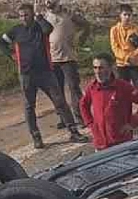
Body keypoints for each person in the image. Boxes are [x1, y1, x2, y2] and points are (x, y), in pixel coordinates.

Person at [0, 3, 87, 149]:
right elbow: (1, 43)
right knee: (29, 107)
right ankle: (36, 137)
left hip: (45, 72)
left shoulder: (40, 27)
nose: (23, 18)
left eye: (26, 15)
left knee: (60, 102)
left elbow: (49, 28)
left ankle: (73, 131)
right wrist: (11, 54)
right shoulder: (16, 30)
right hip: (26, 75)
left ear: (32, 14)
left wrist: (39, 16)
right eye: (21, 16)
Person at [79, 53, 138, 151]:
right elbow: (83, 105)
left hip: (122, 144)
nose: (97, 72)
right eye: (95, 68)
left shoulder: (123, 87)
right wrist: (91, 124)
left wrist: (133, 123)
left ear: (111, 68)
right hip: (100, 145)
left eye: (101, 68)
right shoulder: (92, 88)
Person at [39, 0, 91, 129]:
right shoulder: (44, 16)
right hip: (52, 59)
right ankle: (65, 119)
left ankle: (81, 117)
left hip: (68, 58)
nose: (47, 2)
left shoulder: (68, 13)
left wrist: (81, 39)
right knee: (57, 91)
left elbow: (85, 25)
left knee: (74, 88)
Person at [109, 3, 138, 94]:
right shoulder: (114, 30)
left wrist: (134, 56)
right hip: (121, 64)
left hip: (135, 63)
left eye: (129, 15)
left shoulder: (135, 28)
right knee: (122, 90)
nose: (127, 17)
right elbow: (115, 48)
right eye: (125, 14)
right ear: (120, 15)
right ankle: (125, 108)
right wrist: (127, 58)